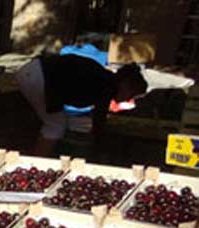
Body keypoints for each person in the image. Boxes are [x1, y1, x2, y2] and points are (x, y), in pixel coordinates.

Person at [15, 53, 148, 156]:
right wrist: (98, 147)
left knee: (54, 121)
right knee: (55, 126)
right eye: (130, 95)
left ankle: (35, 150)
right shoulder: (106, 86)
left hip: (33, 70)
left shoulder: (104, 78)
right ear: (126, 85)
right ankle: (37, 162)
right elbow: (98, 121)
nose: (128, 99)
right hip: (39, 77)